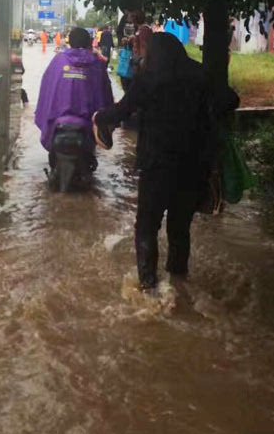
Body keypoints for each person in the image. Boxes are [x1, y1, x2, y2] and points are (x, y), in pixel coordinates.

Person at [92, 32, 239, 290]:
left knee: (147, 225)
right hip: (193, 167)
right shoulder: (200, 75)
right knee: (180, 227)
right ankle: (178, 280)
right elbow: (231, 100)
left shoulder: (148, 79)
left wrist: (99, 116)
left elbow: (122, 111)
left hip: (156, 166)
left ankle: (148, 285)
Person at [35, 27, 113, 154]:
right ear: (89, 42)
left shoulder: (58, 61)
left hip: (58, 122)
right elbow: (106, 95)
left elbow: (46, 90)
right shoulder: (96, 63)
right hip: (87, 123)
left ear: (69, 41)